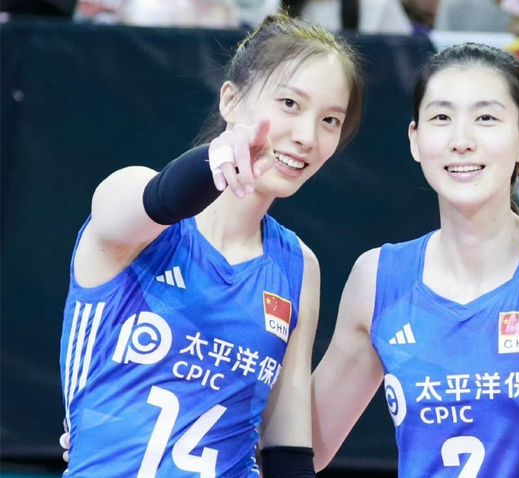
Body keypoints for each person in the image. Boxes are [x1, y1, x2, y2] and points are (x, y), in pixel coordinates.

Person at [311, 42, 519, 476]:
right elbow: (302, 447)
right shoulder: (378, 277)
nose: (461, 141)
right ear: (415, 139)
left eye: (486, 118)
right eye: (441, 118)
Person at [59, 13, 362, 478]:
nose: (307, 136)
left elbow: (287, 447)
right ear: (231, 100)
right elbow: (157, 200)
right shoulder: (135, 200)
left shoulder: (298, 265)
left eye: (330, 120)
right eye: (289, 103)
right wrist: (218, 160)